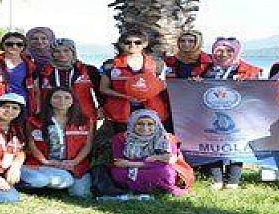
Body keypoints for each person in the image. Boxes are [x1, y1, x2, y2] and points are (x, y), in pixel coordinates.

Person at [200, 37, 262, 189]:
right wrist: (195, 82)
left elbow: (259, 91)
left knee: (237, 145)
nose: (223, 54)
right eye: (219, 51)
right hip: (211, 114)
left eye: (229, 50)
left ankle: (233, 180)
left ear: (237, 52)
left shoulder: (248, 70)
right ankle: (217, 179)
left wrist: (248, 80)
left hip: (239, 115)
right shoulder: (205, 70)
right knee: (212, 143)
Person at [22, 87, 94, 198]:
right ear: (49, 100)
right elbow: (32, 145)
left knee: (81, 193)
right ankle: (32, 181)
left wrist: (74, 162)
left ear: (73, 100)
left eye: (67, 97)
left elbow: (88, 145)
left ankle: (50, 183)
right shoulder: (34, 121)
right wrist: (46, 161)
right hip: (44, 163)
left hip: (73, 165)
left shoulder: (85, 120)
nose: (62, 101)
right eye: (57, 97)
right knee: (41, 180)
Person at [110, 110, 194, 197]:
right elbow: (119, 163)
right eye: (140, 124)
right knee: (117, 173)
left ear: (156, 125)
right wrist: (155, 159)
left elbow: (170, 161)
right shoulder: (120, 138)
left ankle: (137, 186)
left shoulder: (166, 138)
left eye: (150, 124)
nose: (145, 128)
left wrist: (131, 163)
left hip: (150, 169)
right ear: (132, 124)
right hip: (143, 168)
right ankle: (158, 186)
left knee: (165, 172)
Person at [100, 32, 168, 131]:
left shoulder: (157, 63)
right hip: (121, 112)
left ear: (145, 44)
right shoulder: (110, 65)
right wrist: (126, 96)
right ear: (121, 44)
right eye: (128, 42)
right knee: (122, 139)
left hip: (151, 111)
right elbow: (103, 89)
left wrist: (148, 93)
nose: (132, 45)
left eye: (137, 42)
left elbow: (163, 85)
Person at [38, 38, 103, 121]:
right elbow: (38, 93)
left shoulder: (89, 70)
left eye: (66, 51)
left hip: (84, 115)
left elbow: (99, 91)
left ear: (73, 52)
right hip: (53, 115)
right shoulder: (44, 72)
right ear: (52, 53)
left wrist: (101, 107)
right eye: (57, 51)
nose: (62, 54)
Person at [0, 32, 38, 115]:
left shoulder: (30, 65)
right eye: (9, 44)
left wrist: (37, 106)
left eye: (19, 44)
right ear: (2, 45)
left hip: (22, 104)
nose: (14, 47)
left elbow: (36, 88)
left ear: (24, 47)